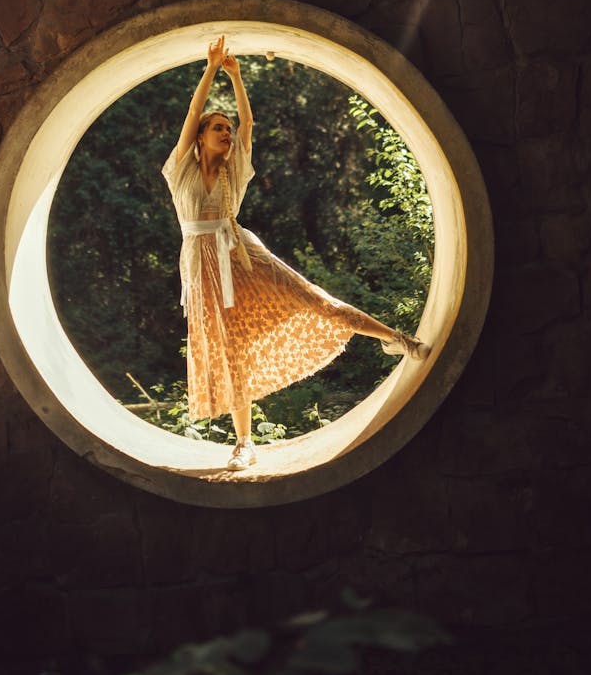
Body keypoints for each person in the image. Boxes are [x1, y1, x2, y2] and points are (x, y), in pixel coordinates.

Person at [162, 36, 429, 471]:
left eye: (228, 129)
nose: (227, 133)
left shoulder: (235, 171)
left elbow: (250, 125)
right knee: (232, 354)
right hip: (201, 270)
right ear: (200, 138)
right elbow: (192, 114)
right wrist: (211, 69)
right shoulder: (181, 170)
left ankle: (398, 340)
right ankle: (244, 444)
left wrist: (237, 76)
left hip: (244, 257)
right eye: (219, 128)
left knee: (313, 298)